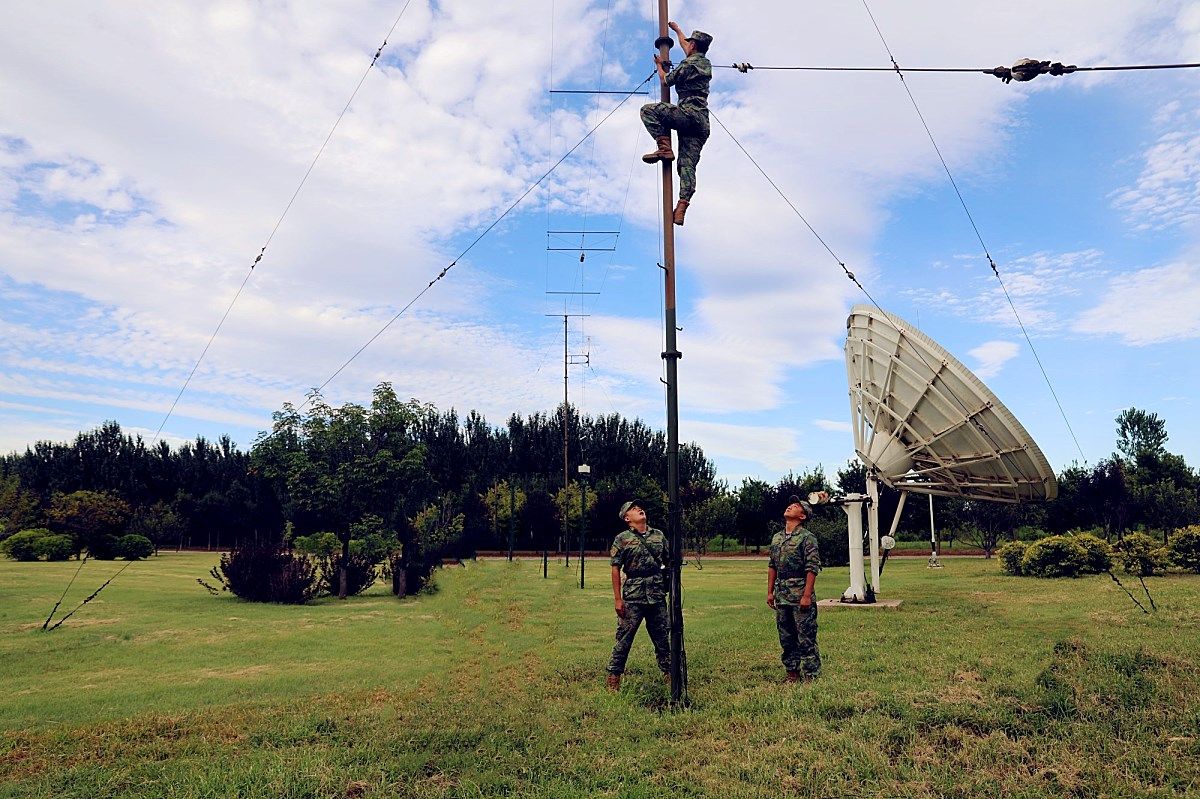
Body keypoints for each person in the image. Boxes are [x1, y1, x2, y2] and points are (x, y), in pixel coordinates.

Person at [640, 22, 713, 227]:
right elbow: (684, 44)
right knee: (687, 166)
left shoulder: (688, 65)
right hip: (701, 124)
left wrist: (659, 66)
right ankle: (682, 206)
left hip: (688, 115)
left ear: (693, 46)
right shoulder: (703, 62)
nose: (686, 45)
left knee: (648, 111)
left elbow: (666, 80)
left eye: (689, 43)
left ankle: (664, 147)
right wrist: (678, 31)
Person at [605, 500, 671, 690]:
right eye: (633, 509)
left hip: (656, 594)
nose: (639, 509)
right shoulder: (622, 539)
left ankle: (669, 675)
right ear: (627, 518)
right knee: (624, 639)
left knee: (662, 638)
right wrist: (618, 599)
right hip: (633, 596)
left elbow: (669, 561)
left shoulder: (658, 535)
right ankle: (614, 677)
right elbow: (615, 569)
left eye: (639, 508)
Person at [767, 495, 822, 682]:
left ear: (803, 516)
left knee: (806, 636)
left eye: (796, 505)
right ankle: (792, 673)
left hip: (800, 594)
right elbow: (772, 566)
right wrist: (770, 592)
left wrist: (806, 595)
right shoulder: (777, 538)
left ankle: (811, 675)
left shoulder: (807, 538)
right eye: (790, 503)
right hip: (782, 594)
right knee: (786, 636)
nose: (790, 506)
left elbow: (812, 568)